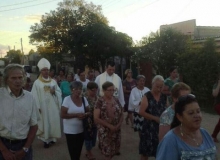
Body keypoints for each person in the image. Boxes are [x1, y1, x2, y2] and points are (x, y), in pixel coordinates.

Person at [156, 94, 217, 160]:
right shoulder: (171, 140)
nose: (197, 116)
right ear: (180, 117)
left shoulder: (205, 134)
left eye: (198, 111)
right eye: (191, 113)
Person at [0, 64, 38, 160]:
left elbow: (34, 126)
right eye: (13, 78)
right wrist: (4, 151)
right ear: (6, 80)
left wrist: (25, 149)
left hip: (23, 145)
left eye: (20, 77)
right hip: (2, 145)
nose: (18, 81)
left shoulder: (30, 97)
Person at [31, 58, 62, 148]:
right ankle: (46, 140)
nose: (46, 72)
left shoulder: (53, 81)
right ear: (41, 71)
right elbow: (34, 95)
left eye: (47, 70)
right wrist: (37, 107)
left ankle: (52, 139)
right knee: (45, 122)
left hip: (53, 107)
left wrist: (55, 92)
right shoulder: (37, 83)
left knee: (53, 121)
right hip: (42, 107)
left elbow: (59, 92)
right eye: (44, 70)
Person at [139, 75, 167, 160]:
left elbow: (168, 110)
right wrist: (155, 118)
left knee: (159, 151)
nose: (159, 89)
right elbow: (141, 112)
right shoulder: (147, 96)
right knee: (145, 152)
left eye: (161, 87)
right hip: (148, 128)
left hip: (160, 128)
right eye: (157, 86)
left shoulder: (164, 97)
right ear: (152, 84)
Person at [94, 82, 123, 160]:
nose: (111, 92)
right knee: (107, 152)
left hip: (116, 130)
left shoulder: (116, 100)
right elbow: (96, 118)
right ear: (103, 90)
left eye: (113, 90)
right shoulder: (99, 101)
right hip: (105, 131)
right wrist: (109, 126)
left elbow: (121, 114)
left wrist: (118, 125)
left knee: (113, 151)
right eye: (109, 90)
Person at [61, 81, 90, 160]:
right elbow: (62, 115)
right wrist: (76, 115)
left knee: (78, 150)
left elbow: (89, 111)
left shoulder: (84, 99)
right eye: (76, 89)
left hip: (81, 130)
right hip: (70, 131)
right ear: (71, 90)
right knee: (73, 152)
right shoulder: (67, 100)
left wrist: (85, 115)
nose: (78, 91)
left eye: (80, 89)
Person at [84, 82, 99, 160]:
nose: (94, 92)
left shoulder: (98, 98)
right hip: (87, 121)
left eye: (96, 90)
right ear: (88, 89)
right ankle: (88, 152)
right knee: (88, 137)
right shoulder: (84, 98)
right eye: (93, 90)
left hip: (95, 121)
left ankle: (89, 150)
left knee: (93, 137)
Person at [211, 74, 220, 142]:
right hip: (218, 104)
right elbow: (215, 94)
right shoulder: (216, 85)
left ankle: (213, 136)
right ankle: (213, 136)